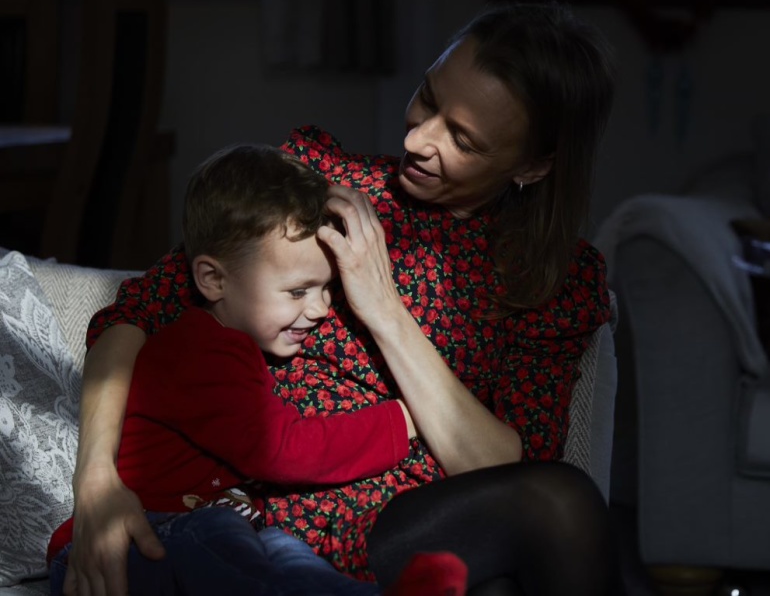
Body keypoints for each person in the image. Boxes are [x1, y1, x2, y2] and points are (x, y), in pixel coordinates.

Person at [66, 1, 619, 595]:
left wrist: (382, 305)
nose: (417, 136)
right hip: (277, 515)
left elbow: (507, 468)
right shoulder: (319, 186)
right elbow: (135, 316)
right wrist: (95, 482)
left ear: (532, 168)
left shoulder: (555, 279)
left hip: (420, 519)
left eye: (462, 138)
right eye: (428, 97)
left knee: (556, 506)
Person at [48, 144, 467, 595]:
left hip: (197, 535)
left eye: (326, 288)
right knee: (222, 535)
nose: (321, 309)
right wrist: (399, 420)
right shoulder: (201, 352)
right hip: (132, 540)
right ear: (213, 279)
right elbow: (285, 450)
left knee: (285, 549)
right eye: (297, 291)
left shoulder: (234, 345)